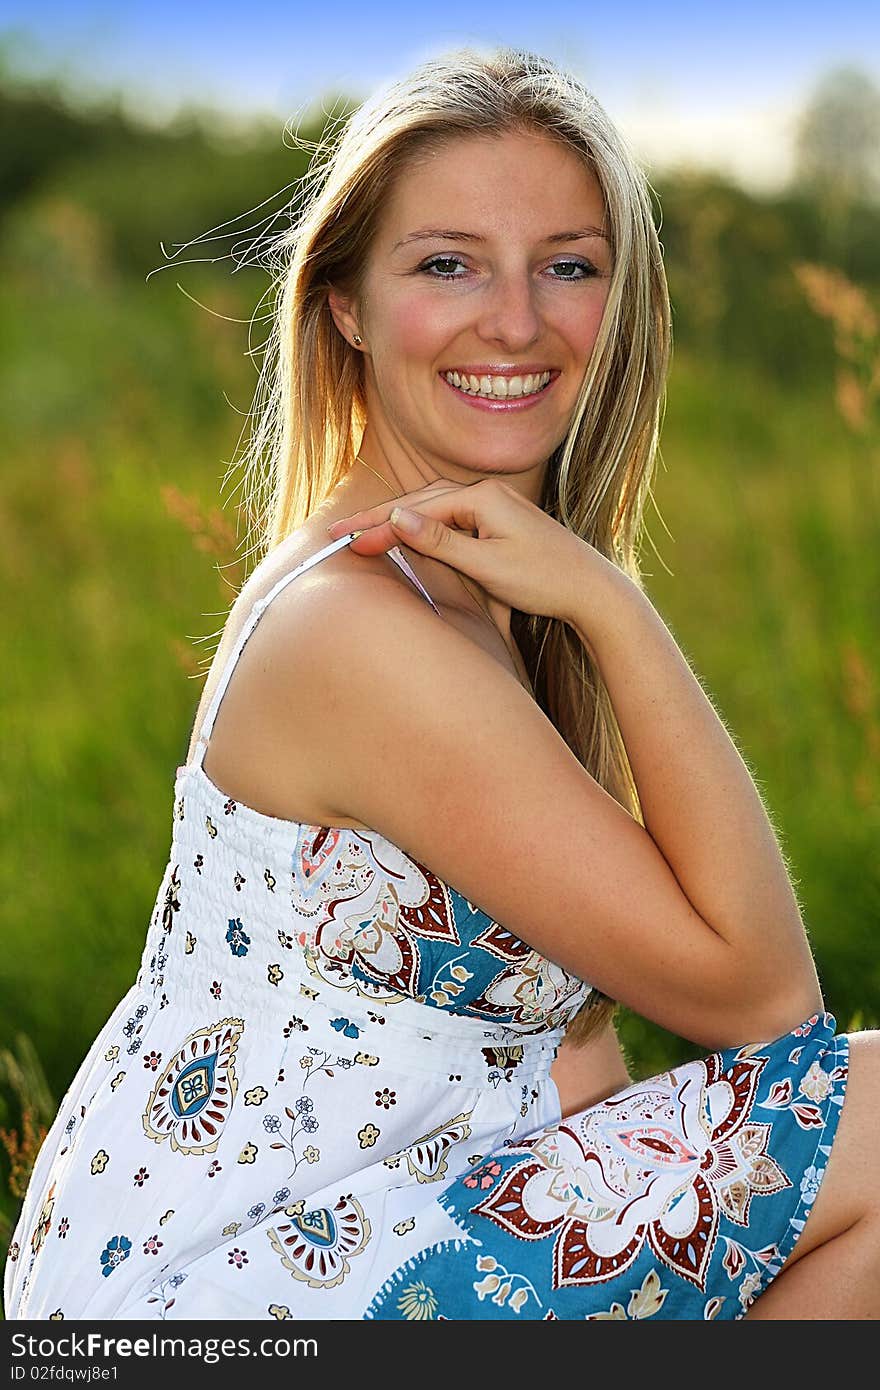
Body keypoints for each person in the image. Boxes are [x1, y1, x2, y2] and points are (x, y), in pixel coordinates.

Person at [4, 46, 877, 1323]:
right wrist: (611, 603)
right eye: (446, 263)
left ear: (617, 300)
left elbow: (563, 1065)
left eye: (567, 265)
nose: (515, 320)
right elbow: (763, 1007)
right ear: (346, 303)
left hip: (340, 1251)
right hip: (214, 1303)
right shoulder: (361, 633)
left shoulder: (453, 592)